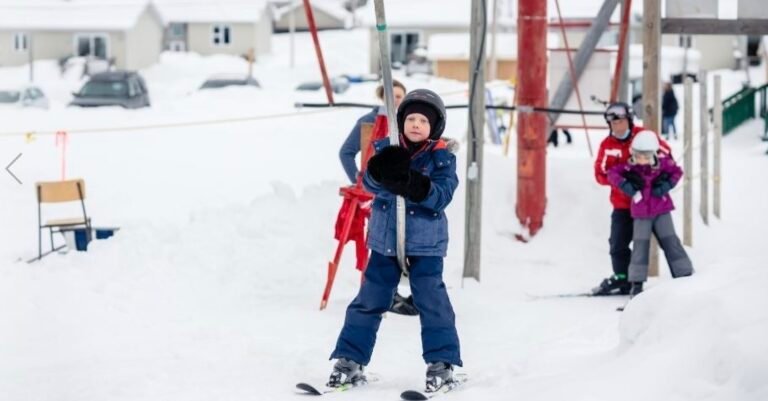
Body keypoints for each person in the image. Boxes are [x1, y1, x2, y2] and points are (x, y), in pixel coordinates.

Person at [327, 89, 462, 393]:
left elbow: (441, 196)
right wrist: (382, 167)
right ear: (401, 122)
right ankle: (349, 360)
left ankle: (441, 364)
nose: (416, 124)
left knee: (432, 301)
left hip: (425, 244)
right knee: (369, 300)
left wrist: (412, 183)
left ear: (435, 127)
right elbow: (370, 183)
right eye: (410, 118)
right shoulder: (387, 149)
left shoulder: (442, 158)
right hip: (385, 241)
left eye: (423, 121)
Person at [337, 79, 418, 316]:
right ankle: (382, 294)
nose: (396, 101)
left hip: (405, 193)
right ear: (383, 98)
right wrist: (361, 179)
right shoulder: (368, 121)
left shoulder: (410, 124)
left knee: (410, 240)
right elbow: (346, 152)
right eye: (392, 96)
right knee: (380, 242)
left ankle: (412, 293)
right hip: (377, 193)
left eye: (400, 96)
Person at [592, 102, 672, 296]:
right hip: (622, 204)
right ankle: (623, 277)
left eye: (620, 122)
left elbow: (667, 155)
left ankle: (681, 276)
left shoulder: (643, 136)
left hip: (647, 204)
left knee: (661, 241)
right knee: (617, 244)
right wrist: (620, 179)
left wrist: (654, 174)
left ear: (629, 120)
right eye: (613, 123)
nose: (617, 127)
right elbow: (599, 173)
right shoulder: (608, 145)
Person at [607, 130, 694, 297]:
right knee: (640, 245)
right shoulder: (630, 166)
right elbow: (613, 173)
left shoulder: (662, 164)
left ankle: (684, 274)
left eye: (646, 156)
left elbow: (677, 172)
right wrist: (627, 186)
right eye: (638, 156)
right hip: (640, 213)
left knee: (670, 241)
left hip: (661, 209)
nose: (642, 160)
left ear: (654, 154)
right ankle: (637, 284)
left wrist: (665, 186)